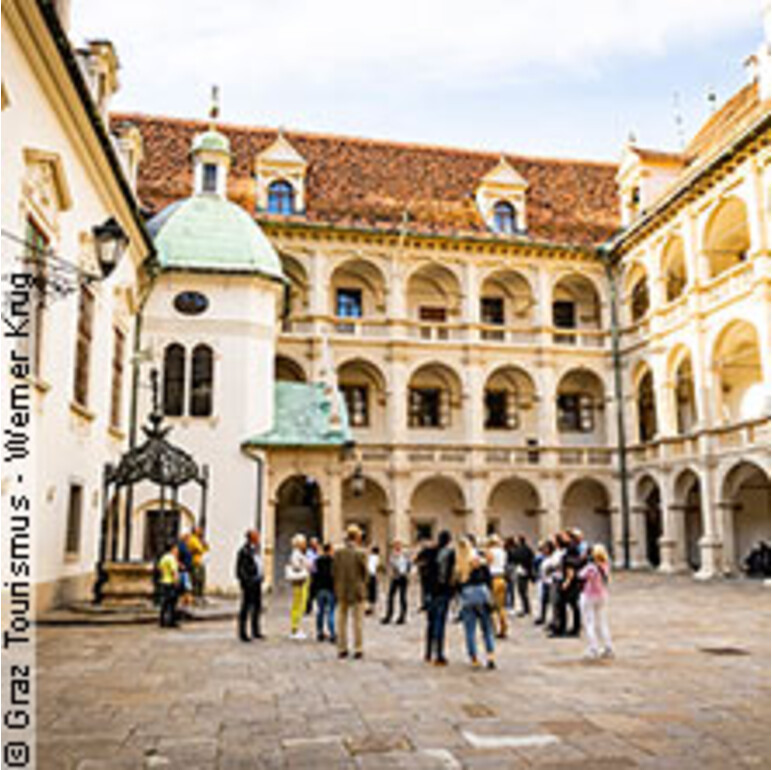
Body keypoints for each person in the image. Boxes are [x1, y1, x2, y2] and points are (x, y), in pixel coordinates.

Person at [456, 538, 496, 669]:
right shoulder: (479, 562)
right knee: (487, 629)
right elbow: (488, 579)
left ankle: (474, 658)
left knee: (470, 631)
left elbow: (457, 586)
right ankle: (490, 656)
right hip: (482, 596)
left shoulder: (460, 565)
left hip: (467, 598)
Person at [333, 524, 368, 659]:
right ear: (357, 537)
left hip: (341, 590)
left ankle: (342, 648)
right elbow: (365, 573)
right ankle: (358, 648)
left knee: (341, 621)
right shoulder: (361, 553)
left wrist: (338, 585)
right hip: (357, 591)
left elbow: (334, 571)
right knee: (357, 621)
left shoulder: (338, 553)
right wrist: (363, 585)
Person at [424, 530, 455, 666]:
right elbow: (452, 573)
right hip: (443, 591)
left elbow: (419, 562)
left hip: (430, 591)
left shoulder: (430, 551)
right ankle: (439, 654)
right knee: (440, 623)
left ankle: (428, 652)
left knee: (431, 623)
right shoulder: (450, 553)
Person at [579, 544, 613, 659]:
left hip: (589, 596)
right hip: (602, 595)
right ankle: (608, 647)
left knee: (590, 623)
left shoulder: (591, 567)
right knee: (603, 622)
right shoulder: (605, 566)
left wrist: (584, 561)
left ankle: (593, 649)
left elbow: (580, 575)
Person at [236, 530, 264, 642]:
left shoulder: (256, 549)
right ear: (251, 538)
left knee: (257, 607)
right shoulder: (244, 551)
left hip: (257, 581)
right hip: (249, 583)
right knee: (246, 607)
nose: (258, 538)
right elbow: (240, 569)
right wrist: (246, 581)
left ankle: (255, 630)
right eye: (256, 536)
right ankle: (243, 632)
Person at [286, 534, 310, 640]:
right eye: (304, 542)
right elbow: (296, 566)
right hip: (299, 581)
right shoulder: (296, 554)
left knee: (300, 605)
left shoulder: (299, 553)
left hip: (302, 581)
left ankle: (297, 627)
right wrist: (305, 565)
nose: (305, 544)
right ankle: (295, 629)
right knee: (297, 605)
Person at [381, 540, 410, 625]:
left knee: (402, 597)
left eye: (398, 545)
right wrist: (391, 572)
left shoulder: (405, 554)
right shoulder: (392, 555)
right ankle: (389, 615)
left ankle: (402, 616)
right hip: (395, 577)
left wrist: (406, 572)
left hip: (403, 577)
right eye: (395, 545)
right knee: (390, 596)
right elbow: (390, 565)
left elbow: (408, 565)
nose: (397, 547)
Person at [313, 543, 336, 643]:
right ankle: (332, 634)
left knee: (320, 612)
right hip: (330, 589)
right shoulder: (334, 561)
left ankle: (320, 632)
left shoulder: (317, 561)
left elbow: (314, 575)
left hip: (320, 589)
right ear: (330, 550)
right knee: (331, 612)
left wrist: (314, 590)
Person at [487, 534, 508, 639]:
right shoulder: (503, 552)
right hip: (502, 578)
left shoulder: (490, 552)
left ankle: (494, 629)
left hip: (493, 579)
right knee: (501, 606)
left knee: (492, 606)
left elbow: (488, 564)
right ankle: (504, 628)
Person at [511, 534, 535, 617]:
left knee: (522, 591)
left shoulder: (519, 550)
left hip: (522, 571)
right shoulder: (528, 549)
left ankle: (526, 609)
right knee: (524, 591)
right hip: (527, 571)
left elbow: (514, 558)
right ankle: (526, 608)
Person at [158, 542, 180, 628]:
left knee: (164, 603)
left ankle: (162, 620)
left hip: (164, 581)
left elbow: (160, 569)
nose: (177, 550)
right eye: (176, 548)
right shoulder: (172, 558)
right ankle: (171, 621)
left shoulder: (163, 558)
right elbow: (174, 571)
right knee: (172, 603)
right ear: (172, 549)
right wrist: (176, 582)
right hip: (170, 582)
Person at [534, 540, 555, 626]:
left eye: (546, 548)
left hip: (551, 582)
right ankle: (542, 617)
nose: (544, 550)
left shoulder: (553, 558)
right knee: (543, 600)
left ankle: (552, 619)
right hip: (544, 581)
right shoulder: (542, 557)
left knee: (551, 602)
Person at [188, 526, 209, 603]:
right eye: (198, 530)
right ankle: (195, 596)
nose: (200, 531)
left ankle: (201, 595)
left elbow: (207, 548)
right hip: (195, 562)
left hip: (201, 561)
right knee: (196, 579)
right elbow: (199, 549)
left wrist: (203, 543)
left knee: (202, 579)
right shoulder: (192, 539)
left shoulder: (198, 539)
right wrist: (202, 546)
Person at [414, 537, 434, 611]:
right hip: (425, 574)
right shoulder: (423, 552)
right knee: (425, 590)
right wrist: (422, 563)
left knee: (428, 590)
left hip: (429, 574)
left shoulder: (432, 551)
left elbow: (416, 561)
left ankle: (428, 604)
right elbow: (416, 561)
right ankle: (426, 604)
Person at [305, 537, 320, 615]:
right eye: (314, 544)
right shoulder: (309, 553)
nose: (316, 545)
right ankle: (308, 608)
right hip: (311, 574)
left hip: (318, 574)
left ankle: (317, 607)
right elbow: (310, 563)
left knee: (317, 591)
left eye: (316, 543)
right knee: (311, 591)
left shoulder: (318, 552)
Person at [366, 545, 380, 616]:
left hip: (368, 576)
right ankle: (372, 608)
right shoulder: (377, 558)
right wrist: (377, 577)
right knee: (373, 593)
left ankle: (368, 608)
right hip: (373, 576)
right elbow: (376, 568)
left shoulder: (369, 557)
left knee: (368, 592)